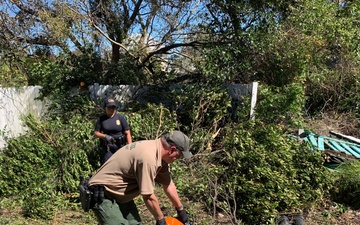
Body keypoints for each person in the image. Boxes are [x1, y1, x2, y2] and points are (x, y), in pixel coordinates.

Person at [88, 130, 192, 225]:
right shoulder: (148, 158)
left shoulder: (160, 156)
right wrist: (161, 220)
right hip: (103, 193)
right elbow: (148, 196)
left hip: (121, 193)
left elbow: (168, 184)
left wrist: (180, 210)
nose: (177, 159)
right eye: (179, 156)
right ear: (172, 150)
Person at [94, 97, 132, 164]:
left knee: (123, 165)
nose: (111, 109)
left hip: (121, 147)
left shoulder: (120, 118)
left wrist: (130, 148)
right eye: (109, 107)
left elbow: (127, 133)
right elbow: (96, 133)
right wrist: (105, 136)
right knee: (108, 165)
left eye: (113, 107)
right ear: (105, 108)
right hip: (108, 148)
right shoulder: (101, 119)